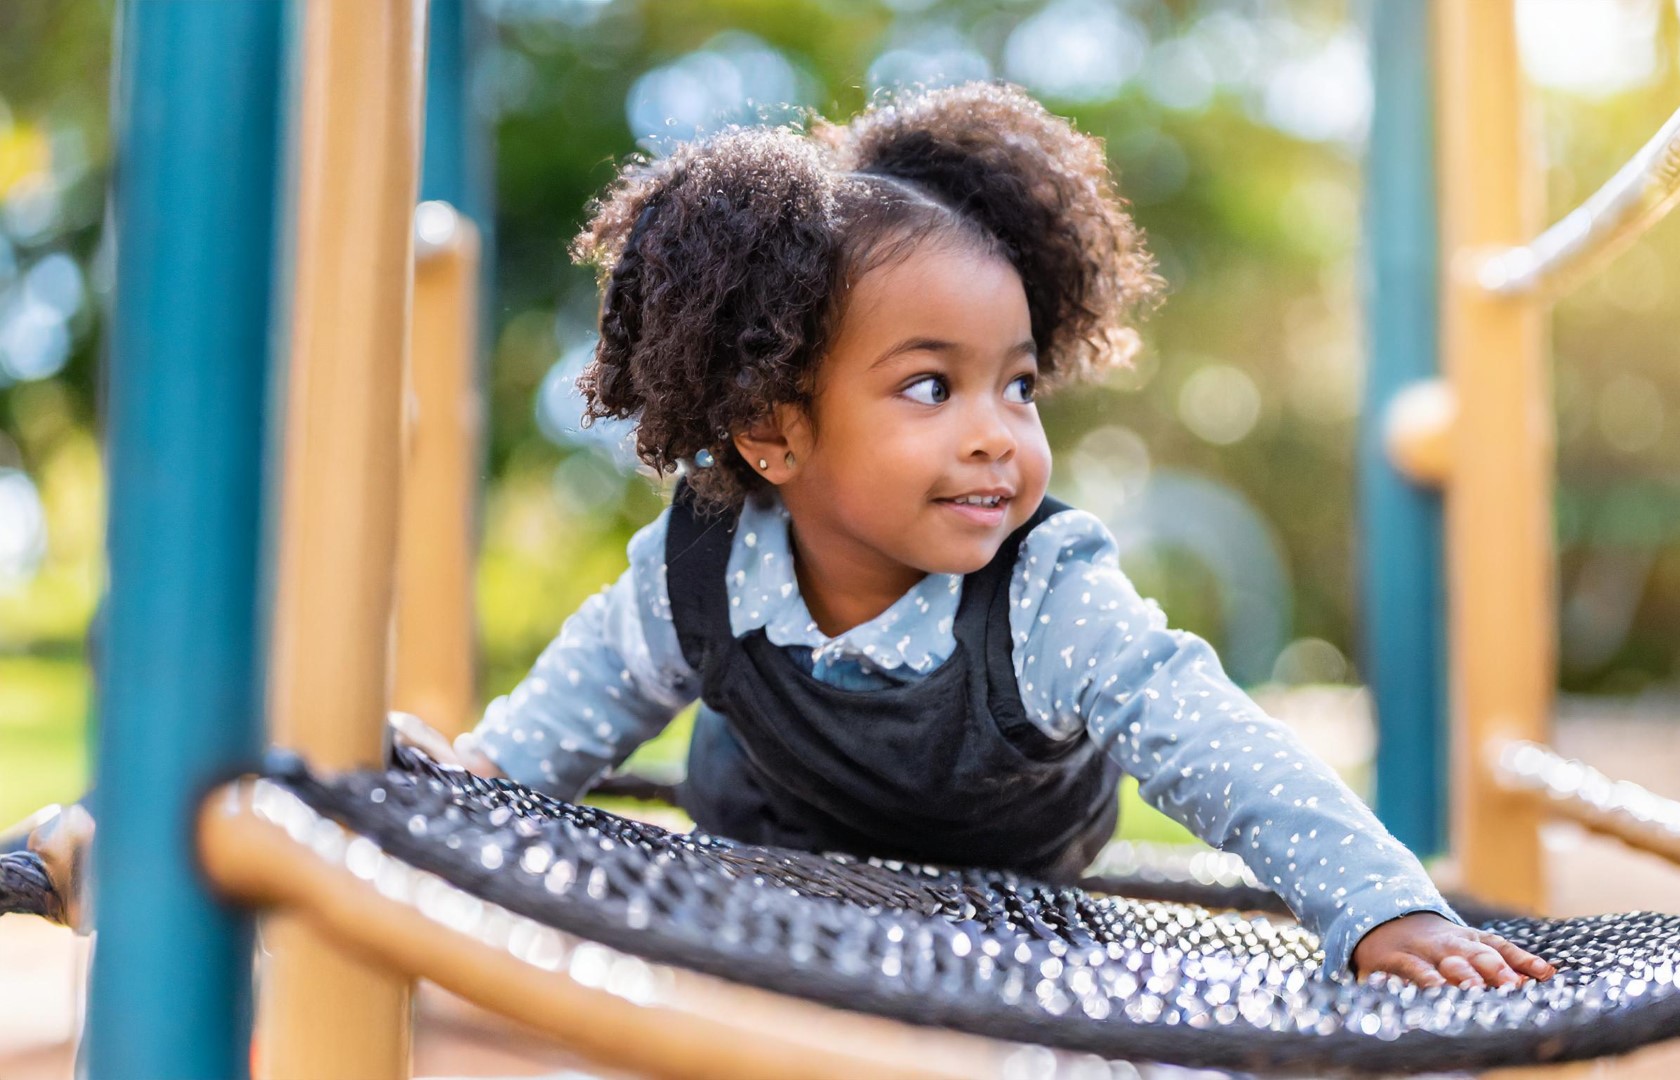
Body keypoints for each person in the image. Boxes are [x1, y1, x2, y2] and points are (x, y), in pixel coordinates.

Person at [448, 80, 1550, 989]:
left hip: (1008, 902)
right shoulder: (703, 567)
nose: (998, 436)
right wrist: (478, 787)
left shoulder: (1047, 595)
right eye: (931, 387)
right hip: (771, 876)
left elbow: (1218, 744)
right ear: (773, 431)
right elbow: (581, 697)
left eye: (1017, 385)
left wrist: (1379, 911)